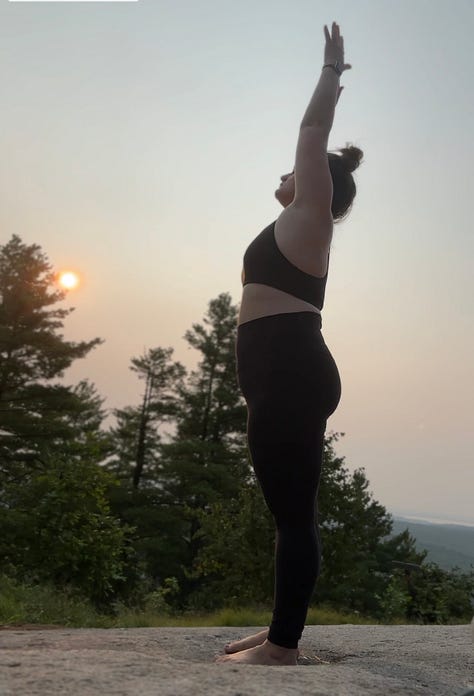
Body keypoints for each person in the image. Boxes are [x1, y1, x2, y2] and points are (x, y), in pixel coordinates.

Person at [215, 21, 363, 666]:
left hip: (291, 372)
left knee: (294, 515)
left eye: (297, 172)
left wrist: (330, 72)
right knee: (286, 511)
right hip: (280, 374)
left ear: (319, 187)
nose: (286, 171)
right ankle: (279, 629)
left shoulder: (309, 215)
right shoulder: (291, 223)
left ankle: (282, 646)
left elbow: (311, 137)